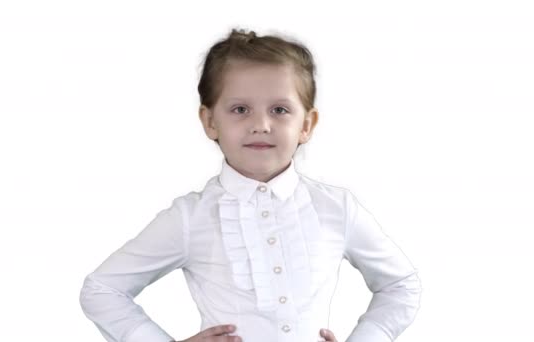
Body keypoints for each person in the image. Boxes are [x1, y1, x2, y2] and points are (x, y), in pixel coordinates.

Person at [79, 27, 422, 342]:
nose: (260, 124)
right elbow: (102, 289)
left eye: (280, 110)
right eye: (240, 109)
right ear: (210, 121)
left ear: (307, 124)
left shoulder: (336, 207)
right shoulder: (190, 216)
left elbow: (401, 284)